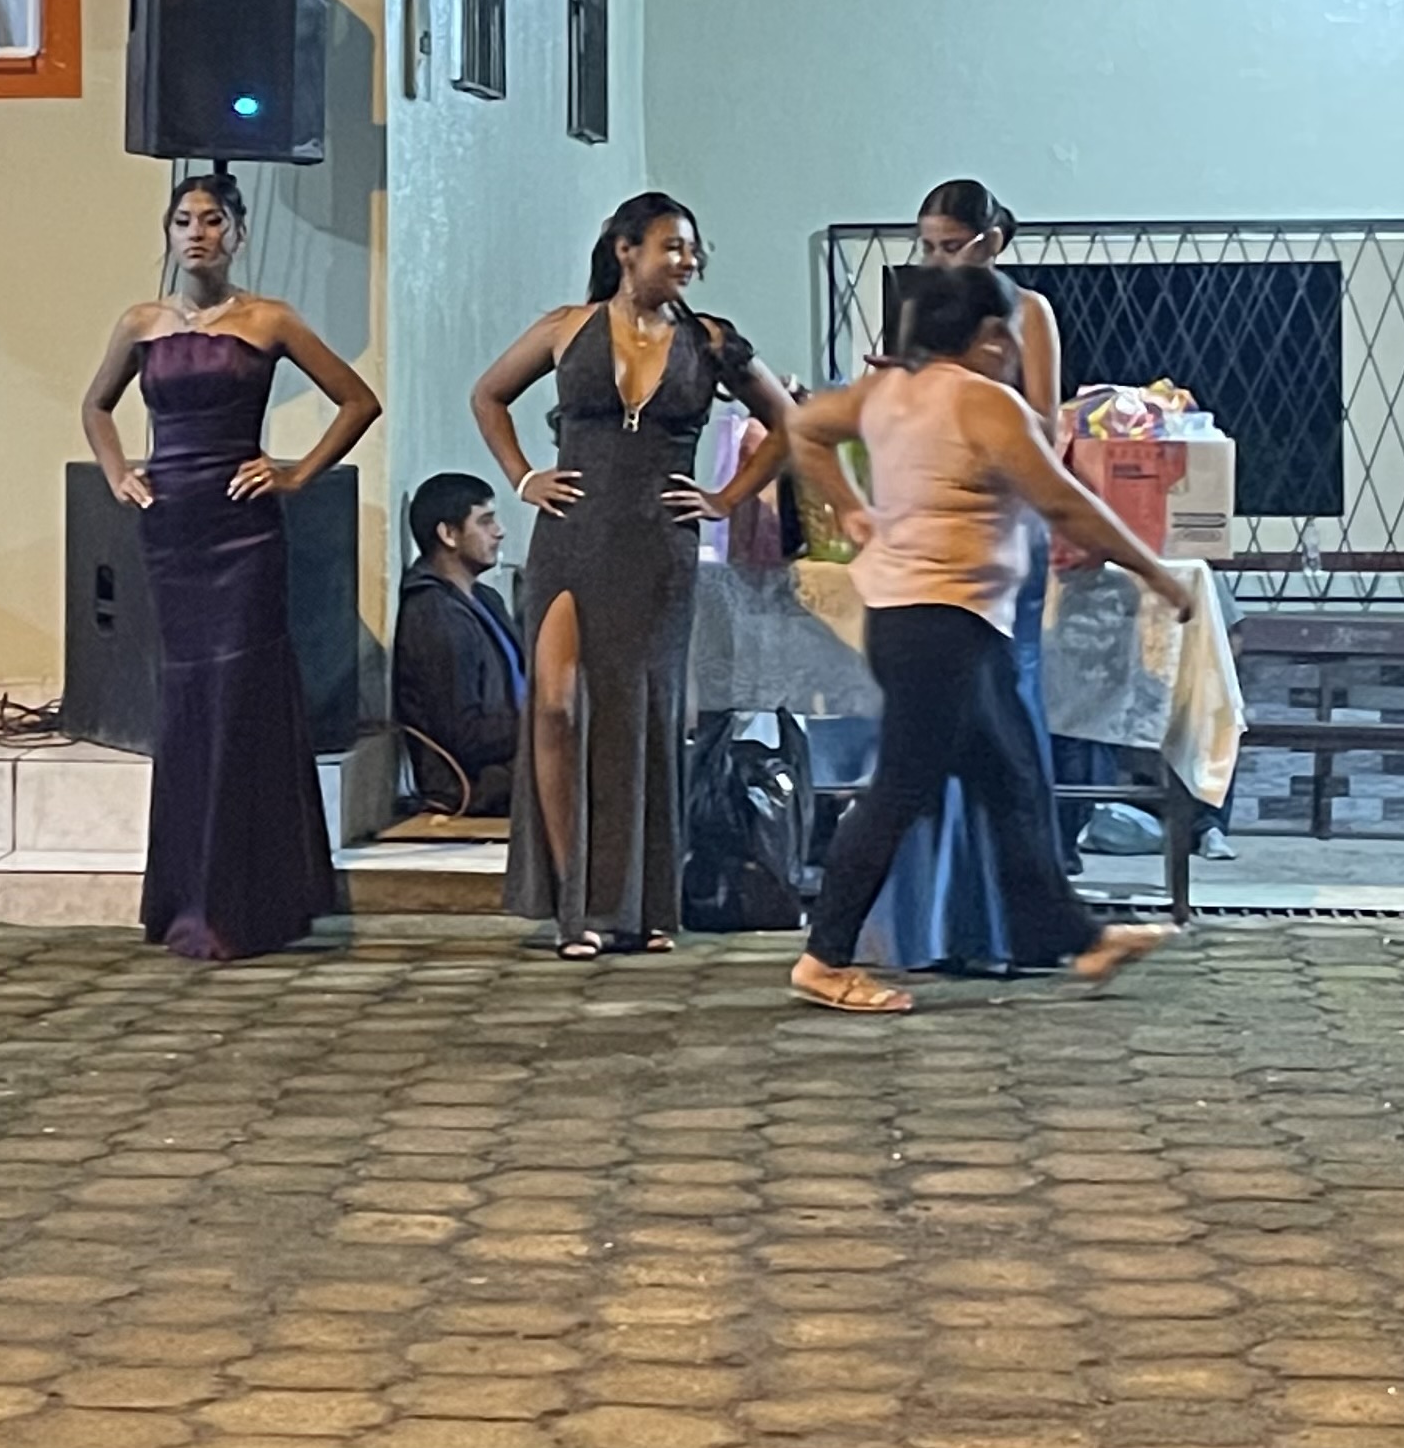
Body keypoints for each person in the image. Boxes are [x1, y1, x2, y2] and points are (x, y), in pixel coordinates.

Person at [778, 264, 1178, 1014]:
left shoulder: (889, 391)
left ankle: (1076, 938)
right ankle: (823, 958)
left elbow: (805, 428)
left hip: (930, 621)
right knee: (901, 790)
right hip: (940, 627)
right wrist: (1157, 573)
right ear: (992, 336)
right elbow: (1065, 503)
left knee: (1012, 782)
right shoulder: (984, 403)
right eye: (1011, 334)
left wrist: (852, 506)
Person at [472, 192, 797, 959]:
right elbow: (488, 395)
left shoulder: (710, 341)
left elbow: (791, 422)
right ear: (626, 250)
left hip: (657, 547)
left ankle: (639, 906)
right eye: (671, 246)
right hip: (570, 538)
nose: (687, 260)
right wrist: (522, 477)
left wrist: (725, 498)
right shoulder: (566, 327)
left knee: (640, 717)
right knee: (556, 707)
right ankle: (571, 905)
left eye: (692, 248)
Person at [83, 173, 382, 960]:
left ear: (238, 235)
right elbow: (95, 406)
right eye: (183, 220)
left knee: (239, 698)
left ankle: (248, 903)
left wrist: (296, 472)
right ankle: (188, 899)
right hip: (172, 529)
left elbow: (358, 401)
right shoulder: (141, 321)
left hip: (244, 531)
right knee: (189, 703)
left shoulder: (269, 319)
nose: (197, 233)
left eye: (213, 220)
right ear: (168, 232)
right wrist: (118, 473)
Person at [849, 179, 1082, 971]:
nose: (939, 260)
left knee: (1007, 711)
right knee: (928, 723)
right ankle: (926, 928)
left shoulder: (1027, 312)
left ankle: (1008, 927)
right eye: (928, 246)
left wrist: (971, 397)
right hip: (928, 533)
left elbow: (1044, 424)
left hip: (1001, 528)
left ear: (992, 242)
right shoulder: (919, 315)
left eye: (952, 245)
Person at [390, 472, 523, 819]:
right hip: (477, 786)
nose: (499, 531)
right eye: (485, 521)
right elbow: (463, 736)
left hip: (521, 762)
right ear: (448, 534)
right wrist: (548, 722)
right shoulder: (434, 613)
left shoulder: (486, 598)